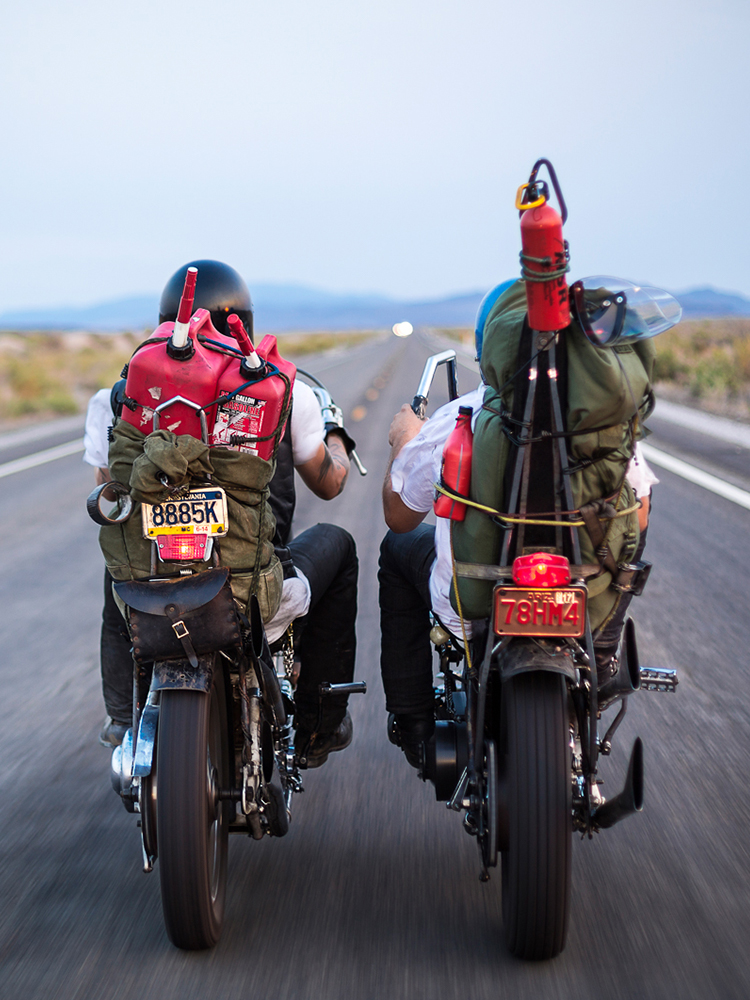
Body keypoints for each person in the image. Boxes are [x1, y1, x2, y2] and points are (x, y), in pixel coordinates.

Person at [85, 260, 358, 768]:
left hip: (151, 588)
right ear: (244, 325)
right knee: (338, 545)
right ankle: (318, 727)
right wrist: (335, 434)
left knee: (115, 566)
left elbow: (112, 494)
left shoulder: (115, 399)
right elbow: (329, 483)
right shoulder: (285, 392)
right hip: (251, 589)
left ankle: (122, 718)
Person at [379, 281, 658, 768]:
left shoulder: (461, 415)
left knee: (394, 550)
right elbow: (641, 510)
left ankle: (415, 724)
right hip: (582, 601)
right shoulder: (602, 421)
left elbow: (399, 516)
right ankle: (603, 652)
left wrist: (406, 441)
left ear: (493, 347)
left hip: (475, 605)